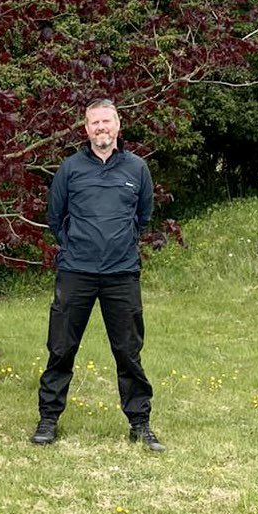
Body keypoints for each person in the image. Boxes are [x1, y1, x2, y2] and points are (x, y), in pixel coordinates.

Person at [31, 99, 166, 451]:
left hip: (122, 273)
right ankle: (48, 419)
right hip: (76, 272)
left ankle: (140, 424)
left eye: (107, 121)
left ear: (118, 125)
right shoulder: (70, 168)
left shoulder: (137, 169)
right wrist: (76, 246)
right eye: (95, 122)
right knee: (61, 348)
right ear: (86, 129)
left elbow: (143, 216)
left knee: (128, 351)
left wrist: (121, 244)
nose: (101, 127)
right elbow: (55, 216)